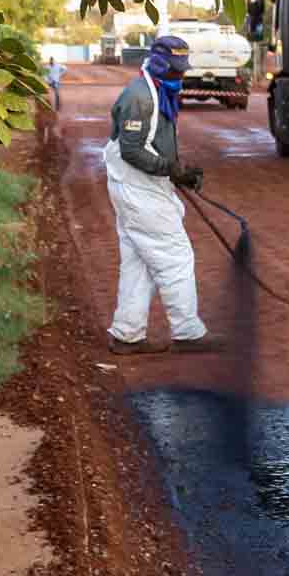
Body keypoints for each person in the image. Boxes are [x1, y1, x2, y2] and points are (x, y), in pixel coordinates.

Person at [104, 35, 223, 355]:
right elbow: (131, 150)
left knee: (139, 262)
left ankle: (127, 334)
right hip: (137, 188)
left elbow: (153, 143)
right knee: (175, 257)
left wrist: (178, 170)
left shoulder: (158, 91)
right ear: (159, 65)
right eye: (176, 70)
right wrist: (169, 169)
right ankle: (187, 333)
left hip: (141, 187)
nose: (181, 76)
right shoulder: (140, 97)